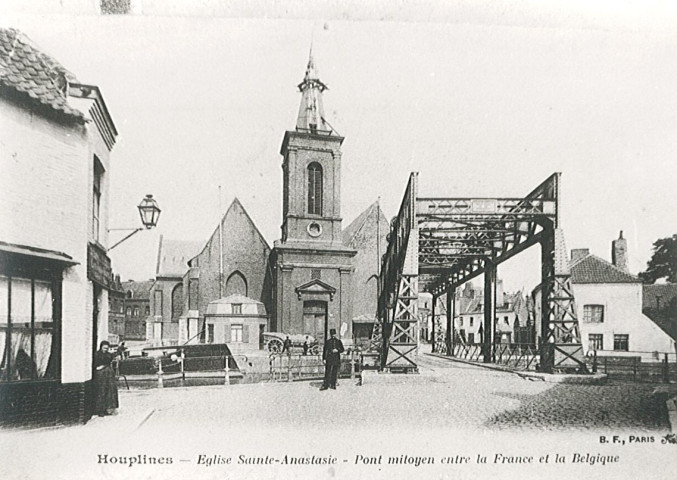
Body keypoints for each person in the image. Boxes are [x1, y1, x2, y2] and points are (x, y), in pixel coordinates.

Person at [94, 340, 119, 417]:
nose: (105, 349)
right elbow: (95, 364)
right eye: (104, 348)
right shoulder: (97, 354)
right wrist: (98, 367)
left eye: (107, 348)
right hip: (101, 374)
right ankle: (100, 410)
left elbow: (111, 361)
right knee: (101, 390)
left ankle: (107, 409)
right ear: (101, 347)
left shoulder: (109, 355)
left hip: (109, 374)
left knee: (109, 391)